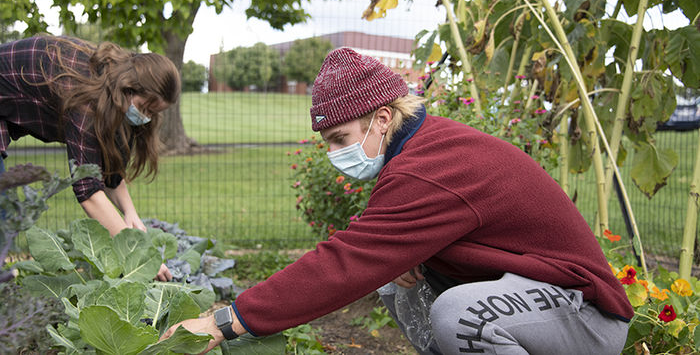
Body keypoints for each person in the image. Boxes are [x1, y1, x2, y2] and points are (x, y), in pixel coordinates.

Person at [162, 48, 633, 353]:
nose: (332, 153)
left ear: (382, 118)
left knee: (459, 316)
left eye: (338, 137)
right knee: (396, 280)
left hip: (584, 315)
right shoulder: (422, 148)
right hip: (538, 300)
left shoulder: (432, 168)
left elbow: (346, 261)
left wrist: (229, 320)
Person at [0, 35, 179, 281]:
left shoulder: (112, 90)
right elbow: (88, 190)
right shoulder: (86, 98)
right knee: (2, 210)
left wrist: (130, 213)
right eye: (145, 107)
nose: (146, 116)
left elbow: (109, 171)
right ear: (130, 87)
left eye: (153, 112)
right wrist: (138, 254)